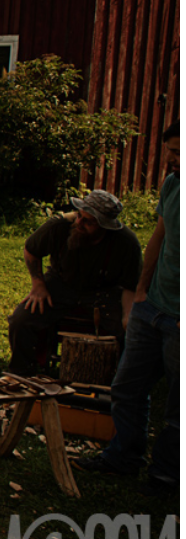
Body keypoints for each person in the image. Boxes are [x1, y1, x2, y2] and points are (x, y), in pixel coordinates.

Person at [76, 120, 179, 496]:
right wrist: (141, 291)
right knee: (128, 387)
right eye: (170, 151)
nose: (172, 160)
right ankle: (124, 456)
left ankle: (167, 476)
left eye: (179, 153)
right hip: (153, 306)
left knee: (177, 408)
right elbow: (159, 238)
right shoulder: (172, 185)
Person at [7, 189, 142, 375]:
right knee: (21, 319)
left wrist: (128, 316)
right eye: (79, 216)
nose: (80, 223)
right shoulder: (60, 225)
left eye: (89, 221)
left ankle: (119, 376)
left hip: (104, 292)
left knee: (127, 331)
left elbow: (130, 285)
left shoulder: (126, 243)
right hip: (60, 284)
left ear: (105, 226)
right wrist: (38, 285)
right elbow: (32, 250)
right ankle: (21, 371)